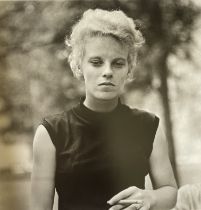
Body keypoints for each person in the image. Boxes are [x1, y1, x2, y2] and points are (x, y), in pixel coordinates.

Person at [30, 8, 177, 210]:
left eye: (117, 63)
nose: (107, 72)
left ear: (129, 68)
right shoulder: (51, 132)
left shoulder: (149, 126)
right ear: (79, 66)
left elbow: (169, 190)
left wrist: (151, 199)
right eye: (96, 62)